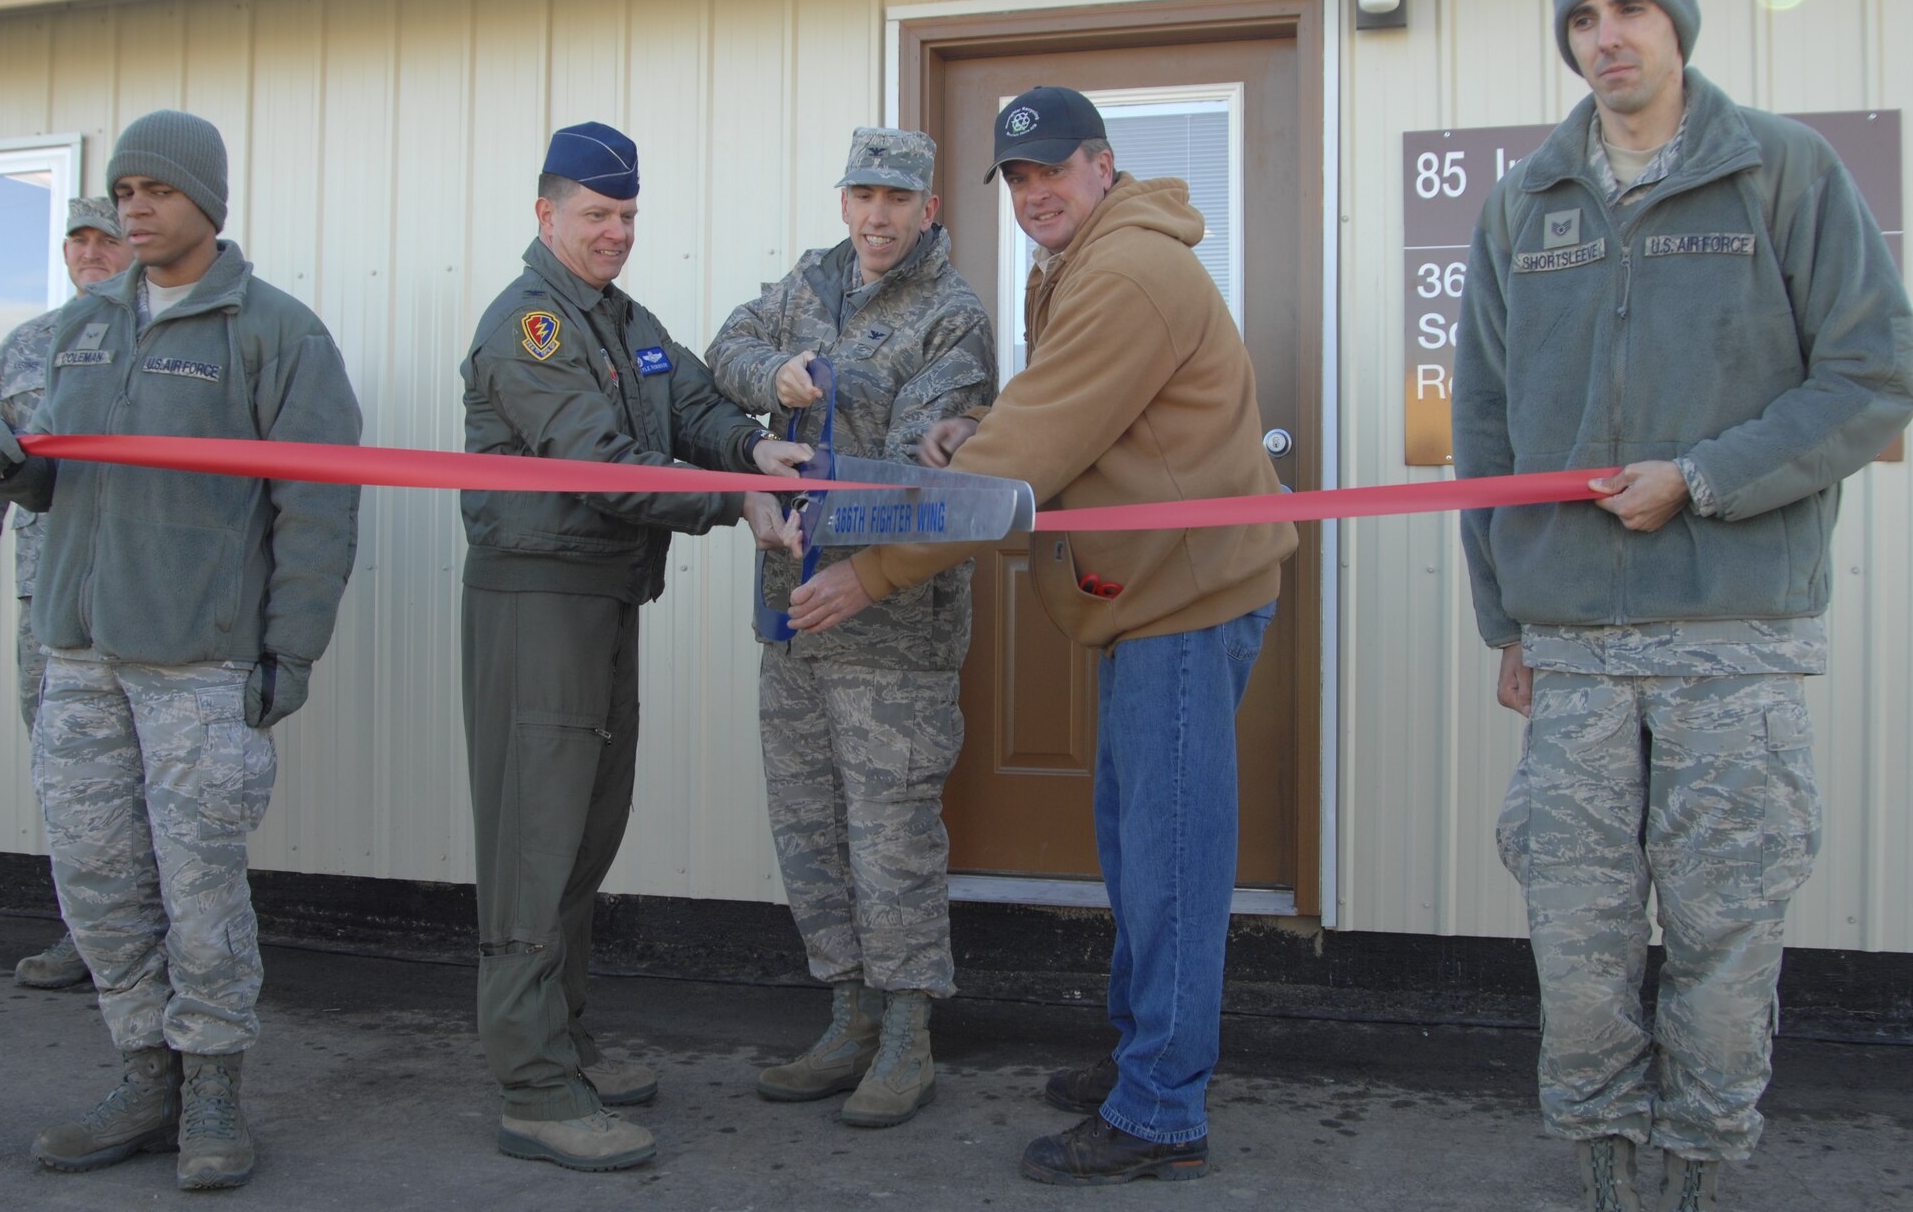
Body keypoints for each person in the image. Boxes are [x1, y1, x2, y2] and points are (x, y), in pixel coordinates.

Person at [1452, 0, 1913, 1212]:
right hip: (1574, 650)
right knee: (1579, 944)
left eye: (1629, 11)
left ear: (1677, 26)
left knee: (1725, 932)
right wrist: (1505, 616)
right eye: (1583, 18)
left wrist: (1698, 476)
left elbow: (1872, 380)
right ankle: (1605, 1169)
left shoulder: (1783, 172)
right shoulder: (1521, 201)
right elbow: (1482, 425)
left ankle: (1699, 1172)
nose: (1607, 37)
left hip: (1731, 638)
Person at [785, 87, 1297, 1184]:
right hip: (1153, 598)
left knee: (1168, 860)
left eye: (1051, 171)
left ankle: (1160, 1107)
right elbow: (1059, 415)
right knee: (1135, 840)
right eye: (1015, 179)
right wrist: (988, 424)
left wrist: (869, 572)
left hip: (1184, 601)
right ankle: (1138, 1054)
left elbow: (1018, 462)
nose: (1032, 195)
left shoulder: (1123, 271)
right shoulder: (1091, 258)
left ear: (1101, 166)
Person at [0, 108, 366, 1191]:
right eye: (123, 191)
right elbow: (65, 475)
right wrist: (18, 465)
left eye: (155, 191)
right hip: (80, 655)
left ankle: (216, 1090)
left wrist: (292, 648)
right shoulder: (86, 327)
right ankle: (144, 1074)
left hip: (199, 660)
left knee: (199, 887)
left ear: (207, 203)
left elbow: (318, 508)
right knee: (97, 878)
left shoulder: (273, 333)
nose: (134, 210)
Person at [457, 121, 811, 1173]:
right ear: (544, 215)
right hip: (538, 605)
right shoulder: (531, 326)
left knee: (580, 834)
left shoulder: (619, 320)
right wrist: (736, 500)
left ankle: (562, 1040)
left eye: (626, 216)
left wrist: (750, 445)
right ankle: (531, 1083)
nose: (615, 233)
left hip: (603, 598)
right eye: (595, 216)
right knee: (534, 842)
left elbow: (691, 403)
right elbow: (604, 462)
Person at [705, 126, 996, 1127]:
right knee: (809, 829)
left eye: (896, 198)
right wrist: (773, 376)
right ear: (842, 201)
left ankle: (907, 1032)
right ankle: (847, 1015)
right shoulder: (803, 286)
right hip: (790, 615)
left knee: (891, 837)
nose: (876, 215)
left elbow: (925, 478)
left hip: (890, 630)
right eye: (862, 194)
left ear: (926, 209)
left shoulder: (952, 318)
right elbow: (723, 352)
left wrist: (856, 568)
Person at [0, 195, 131, 991]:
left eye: (106, 240)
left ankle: (155, 940)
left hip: (149, 590)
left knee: (161, 770)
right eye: (79, 240)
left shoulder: (170, 341)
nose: (91, 253)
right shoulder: (23, 351)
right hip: (47, 595)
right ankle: (85, 936)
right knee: (68, 773)